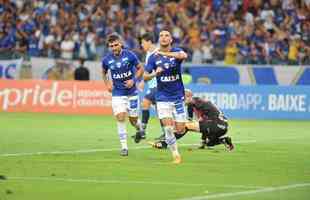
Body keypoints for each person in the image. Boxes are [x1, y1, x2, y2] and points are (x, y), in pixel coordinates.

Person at [144, 30, 188, 164]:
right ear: (159, 39)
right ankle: (176, 155)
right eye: (161, 35)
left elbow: (183, 55)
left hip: (177, 96)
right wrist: (154, 75)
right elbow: (145, 77)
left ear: (171, 40)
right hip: (162, 96)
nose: (163, 37)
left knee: (180, 128)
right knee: (168, 127)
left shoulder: (176, 52)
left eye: (166, 35)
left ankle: (171, 139)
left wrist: (163, 53)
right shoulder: (153, 57)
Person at [149, 89, 234, 151]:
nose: (180, 100)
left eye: (182, 98)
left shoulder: (197, 102)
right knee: (209, 143)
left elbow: (199, 120)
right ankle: (224, 140)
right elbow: (202, 122)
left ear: (189, 97)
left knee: (186, 126)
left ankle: (165, 143)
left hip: (216, 124)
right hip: (222, 127)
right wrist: (203, 142)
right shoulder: (194, 105)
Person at [102, 33, 144, 156]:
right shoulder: (106, 59)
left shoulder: (130, 55)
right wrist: (107, 84)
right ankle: (124, 147)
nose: (114, 48)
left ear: (120, 43)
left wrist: (133, 80)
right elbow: (103, 72)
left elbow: (140, 68)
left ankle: (139, 129)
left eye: (116, 45)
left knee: (133, 120)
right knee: (120, 117)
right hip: (118, 93)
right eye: (111, 46)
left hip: (132, 93)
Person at [133, 32, 163, 143]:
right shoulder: (148, 55)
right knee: (160, 111)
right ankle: (165, 132)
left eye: (142, 43)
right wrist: (142, 81)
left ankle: (142, 131)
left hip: (159, 85)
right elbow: (148, 71)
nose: (141, 45)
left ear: (149, 41)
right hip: (152, 84)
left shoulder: (158, 52)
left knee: (145, 103)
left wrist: (143, 81)